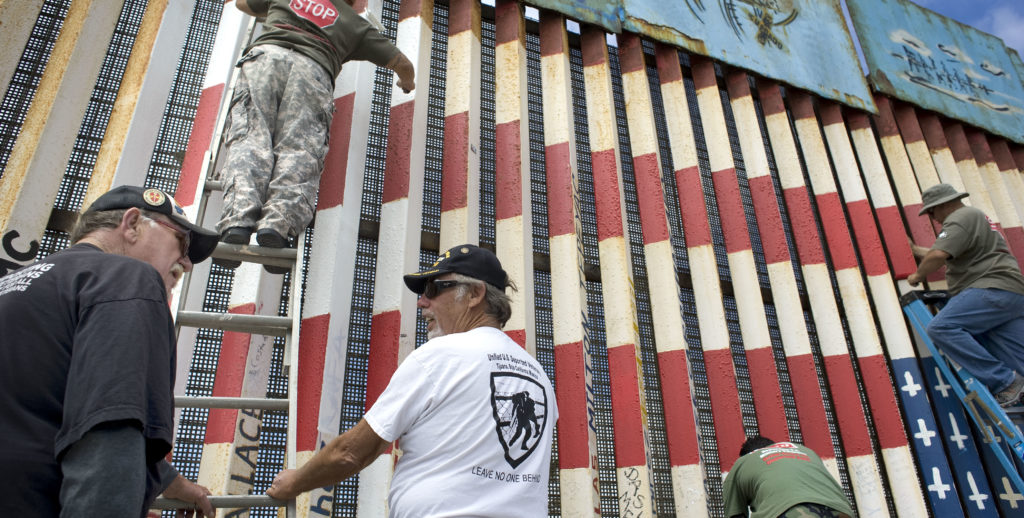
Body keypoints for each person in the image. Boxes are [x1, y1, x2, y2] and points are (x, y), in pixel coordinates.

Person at [266, 244, 558, 517]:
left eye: (434, 289)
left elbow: (350, 453)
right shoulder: (539, 376)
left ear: (475, 294)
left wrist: (294, 482)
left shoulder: (441, 355)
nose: (422, 302)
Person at [0, 186, 219, 517]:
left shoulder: (15, 287)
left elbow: (34, 410)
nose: (187, 263)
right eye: (182, 242)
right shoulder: (126, 278)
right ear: (132, 224)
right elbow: (108, 429)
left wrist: (159, 481)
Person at [216, 0, 416, 273]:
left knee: (249, 137)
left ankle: (238, 221)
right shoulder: (356, 24)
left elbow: (243, 4)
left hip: (264, 59)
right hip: (313, 71)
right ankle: (277, 225)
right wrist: (407, 81)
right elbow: (401, 62)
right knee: (299, 149)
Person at [908, 183, 1024, 408]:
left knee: (941, 327)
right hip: (1010, 293)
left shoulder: (960, 217)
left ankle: (1005, 381)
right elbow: (946, 251)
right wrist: (917, 251)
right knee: (1014, 350)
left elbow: (939, 255)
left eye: (932, 211)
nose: (933, 218)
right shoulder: (974, 217)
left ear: (943, 205)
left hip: (988, 288)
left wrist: (917, 275)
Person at [723, 436, 856, 518]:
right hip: (841, 510)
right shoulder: (804, 450)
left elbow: (735, 514)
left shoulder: (743, 462)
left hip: (790, 511)